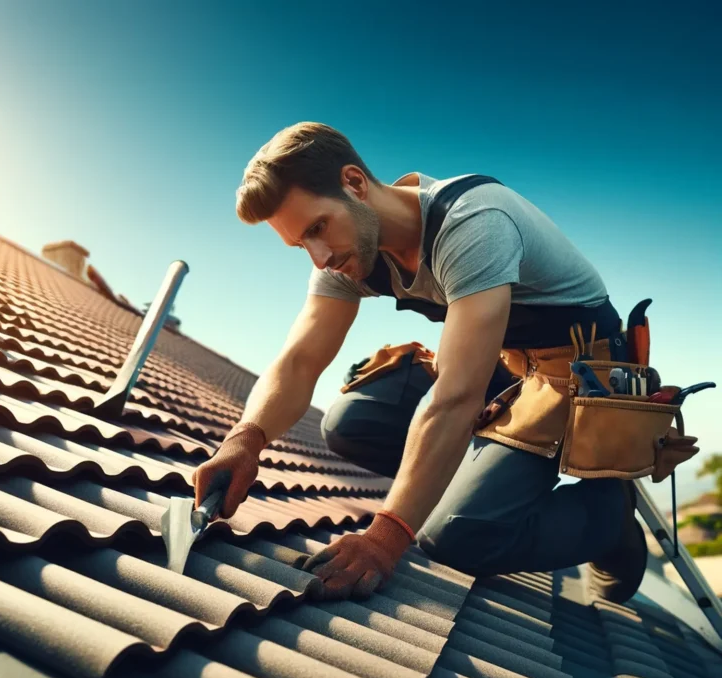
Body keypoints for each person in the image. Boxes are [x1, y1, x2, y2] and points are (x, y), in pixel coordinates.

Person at [192, 121, 650, 604]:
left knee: (452, 536)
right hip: (505, 368)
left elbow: (455, 395)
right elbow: (300, 359)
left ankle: (609, 517)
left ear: (354, 183)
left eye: (317, 228)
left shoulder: (474, 223)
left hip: (577, 377)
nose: (319, 257)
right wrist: (246, 438)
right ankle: (476, 475)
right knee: (351, 422)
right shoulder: (352, 253)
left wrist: (386, 536)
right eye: (300, 245)